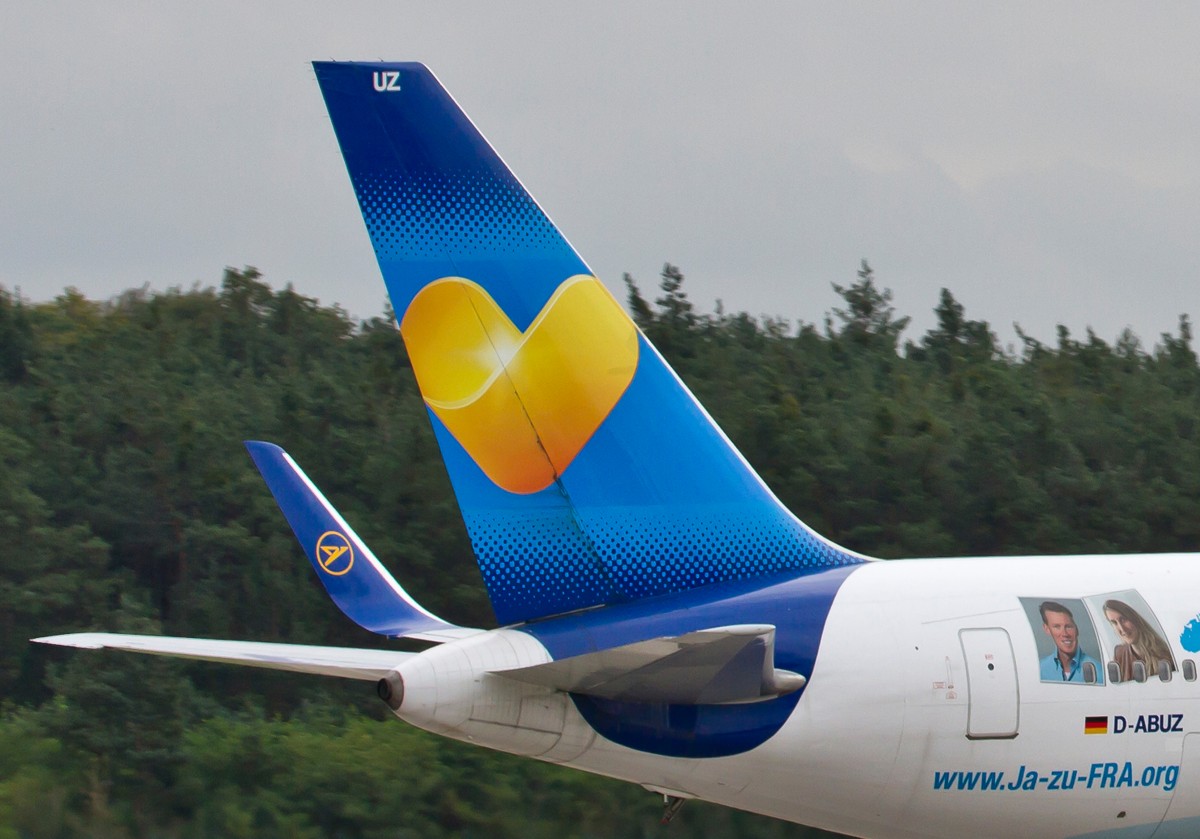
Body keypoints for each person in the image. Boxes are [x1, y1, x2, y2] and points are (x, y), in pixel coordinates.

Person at [1103, 599, 1175, 682]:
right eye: (1115, 623)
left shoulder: (1163, 653)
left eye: (1123, 619)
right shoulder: (1119, 653)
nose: (1122, 629)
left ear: (1134, 619)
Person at [1038, 601, 1103, 684]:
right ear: (1047, 629)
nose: (1065, 634)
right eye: (1057, 627)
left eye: (1068, 626)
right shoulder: (1040, 669)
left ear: (1076, 630)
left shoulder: (1099, 671)